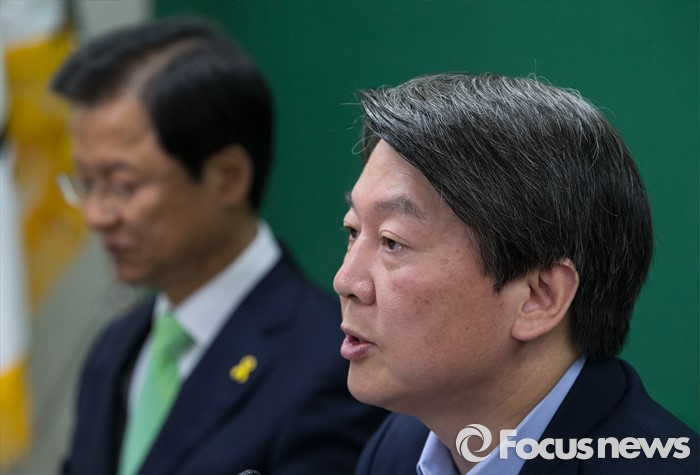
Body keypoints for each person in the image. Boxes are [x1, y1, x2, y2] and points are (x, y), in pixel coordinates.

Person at [52, 17, 385, 475]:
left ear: (228, 177)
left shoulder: (331, 365)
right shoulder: (115, 348)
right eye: (85, 184)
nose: (96, 215)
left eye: (122, 186)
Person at [334, 73, 699, 474]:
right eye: (353, 231)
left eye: (392, 241)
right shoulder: (398, 448)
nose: (345, 282)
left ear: (539, 297)